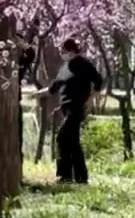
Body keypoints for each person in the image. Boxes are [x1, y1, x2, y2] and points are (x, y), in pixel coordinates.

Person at [43, 37, 103, 184]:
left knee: (62, 137)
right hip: (66, 107)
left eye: (62, 51)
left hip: (76, 107)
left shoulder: (84, 64)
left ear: (70, 51)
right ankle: (80, 177)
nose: (61, 54)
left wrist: (90, 100)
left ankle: (64, 175)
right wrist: (36, 94)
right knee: (72, 142)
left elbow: (98, 81)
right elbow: (54, 86)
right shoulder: (65, 67)